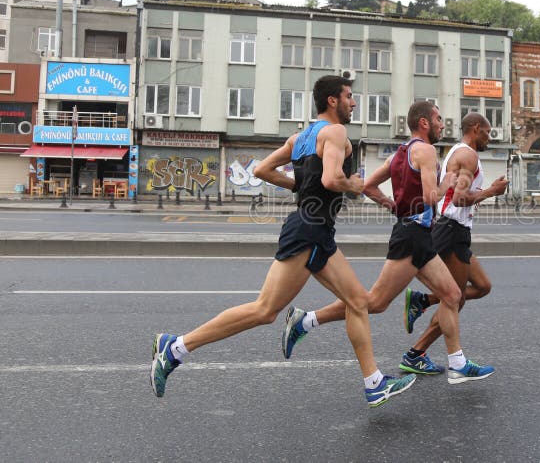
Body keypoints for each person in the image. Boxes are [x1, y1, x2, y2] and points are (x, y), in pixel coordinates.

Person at [149, 75, 416, 408]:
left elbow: (262, 170)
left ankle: (374, 382)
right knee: (264, 310)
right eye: (349, 97)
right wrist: (354, 184)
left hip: (316, 230)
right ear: (332, 101)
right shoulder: (335, 132)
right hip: (309, 230)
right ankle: (175, 349)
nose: (354, 103)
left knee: (359, 302)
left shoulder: (300, 137)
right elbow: (331, 178)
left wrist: (297, 187)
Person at [281, 101, 496, 384]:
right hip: (411, 238)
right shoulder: (427, 151)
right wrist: (448, 185)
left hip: (416, 235)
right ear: (423, 123)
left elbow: (368, 186)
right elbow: (432, 197)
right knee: (374, 302)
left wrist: (391, 204)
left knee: (453, 295)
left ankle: (457, 364)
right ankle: (305, 320)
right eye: (439, 119)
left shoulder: (398, 155)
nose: (443, 125)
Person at [399, 113, 508, 376]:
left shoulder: (457, 153)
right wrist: (492, 192)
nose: (488, 138)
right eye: (487, 133)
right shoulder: (468, 155)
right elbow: (459, 199)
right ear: (475, 128)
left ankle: (423, 300)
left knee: (482, 286)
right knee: (454, 300)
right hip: (452, 229)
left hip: (454, 229)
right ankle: (416, 354)